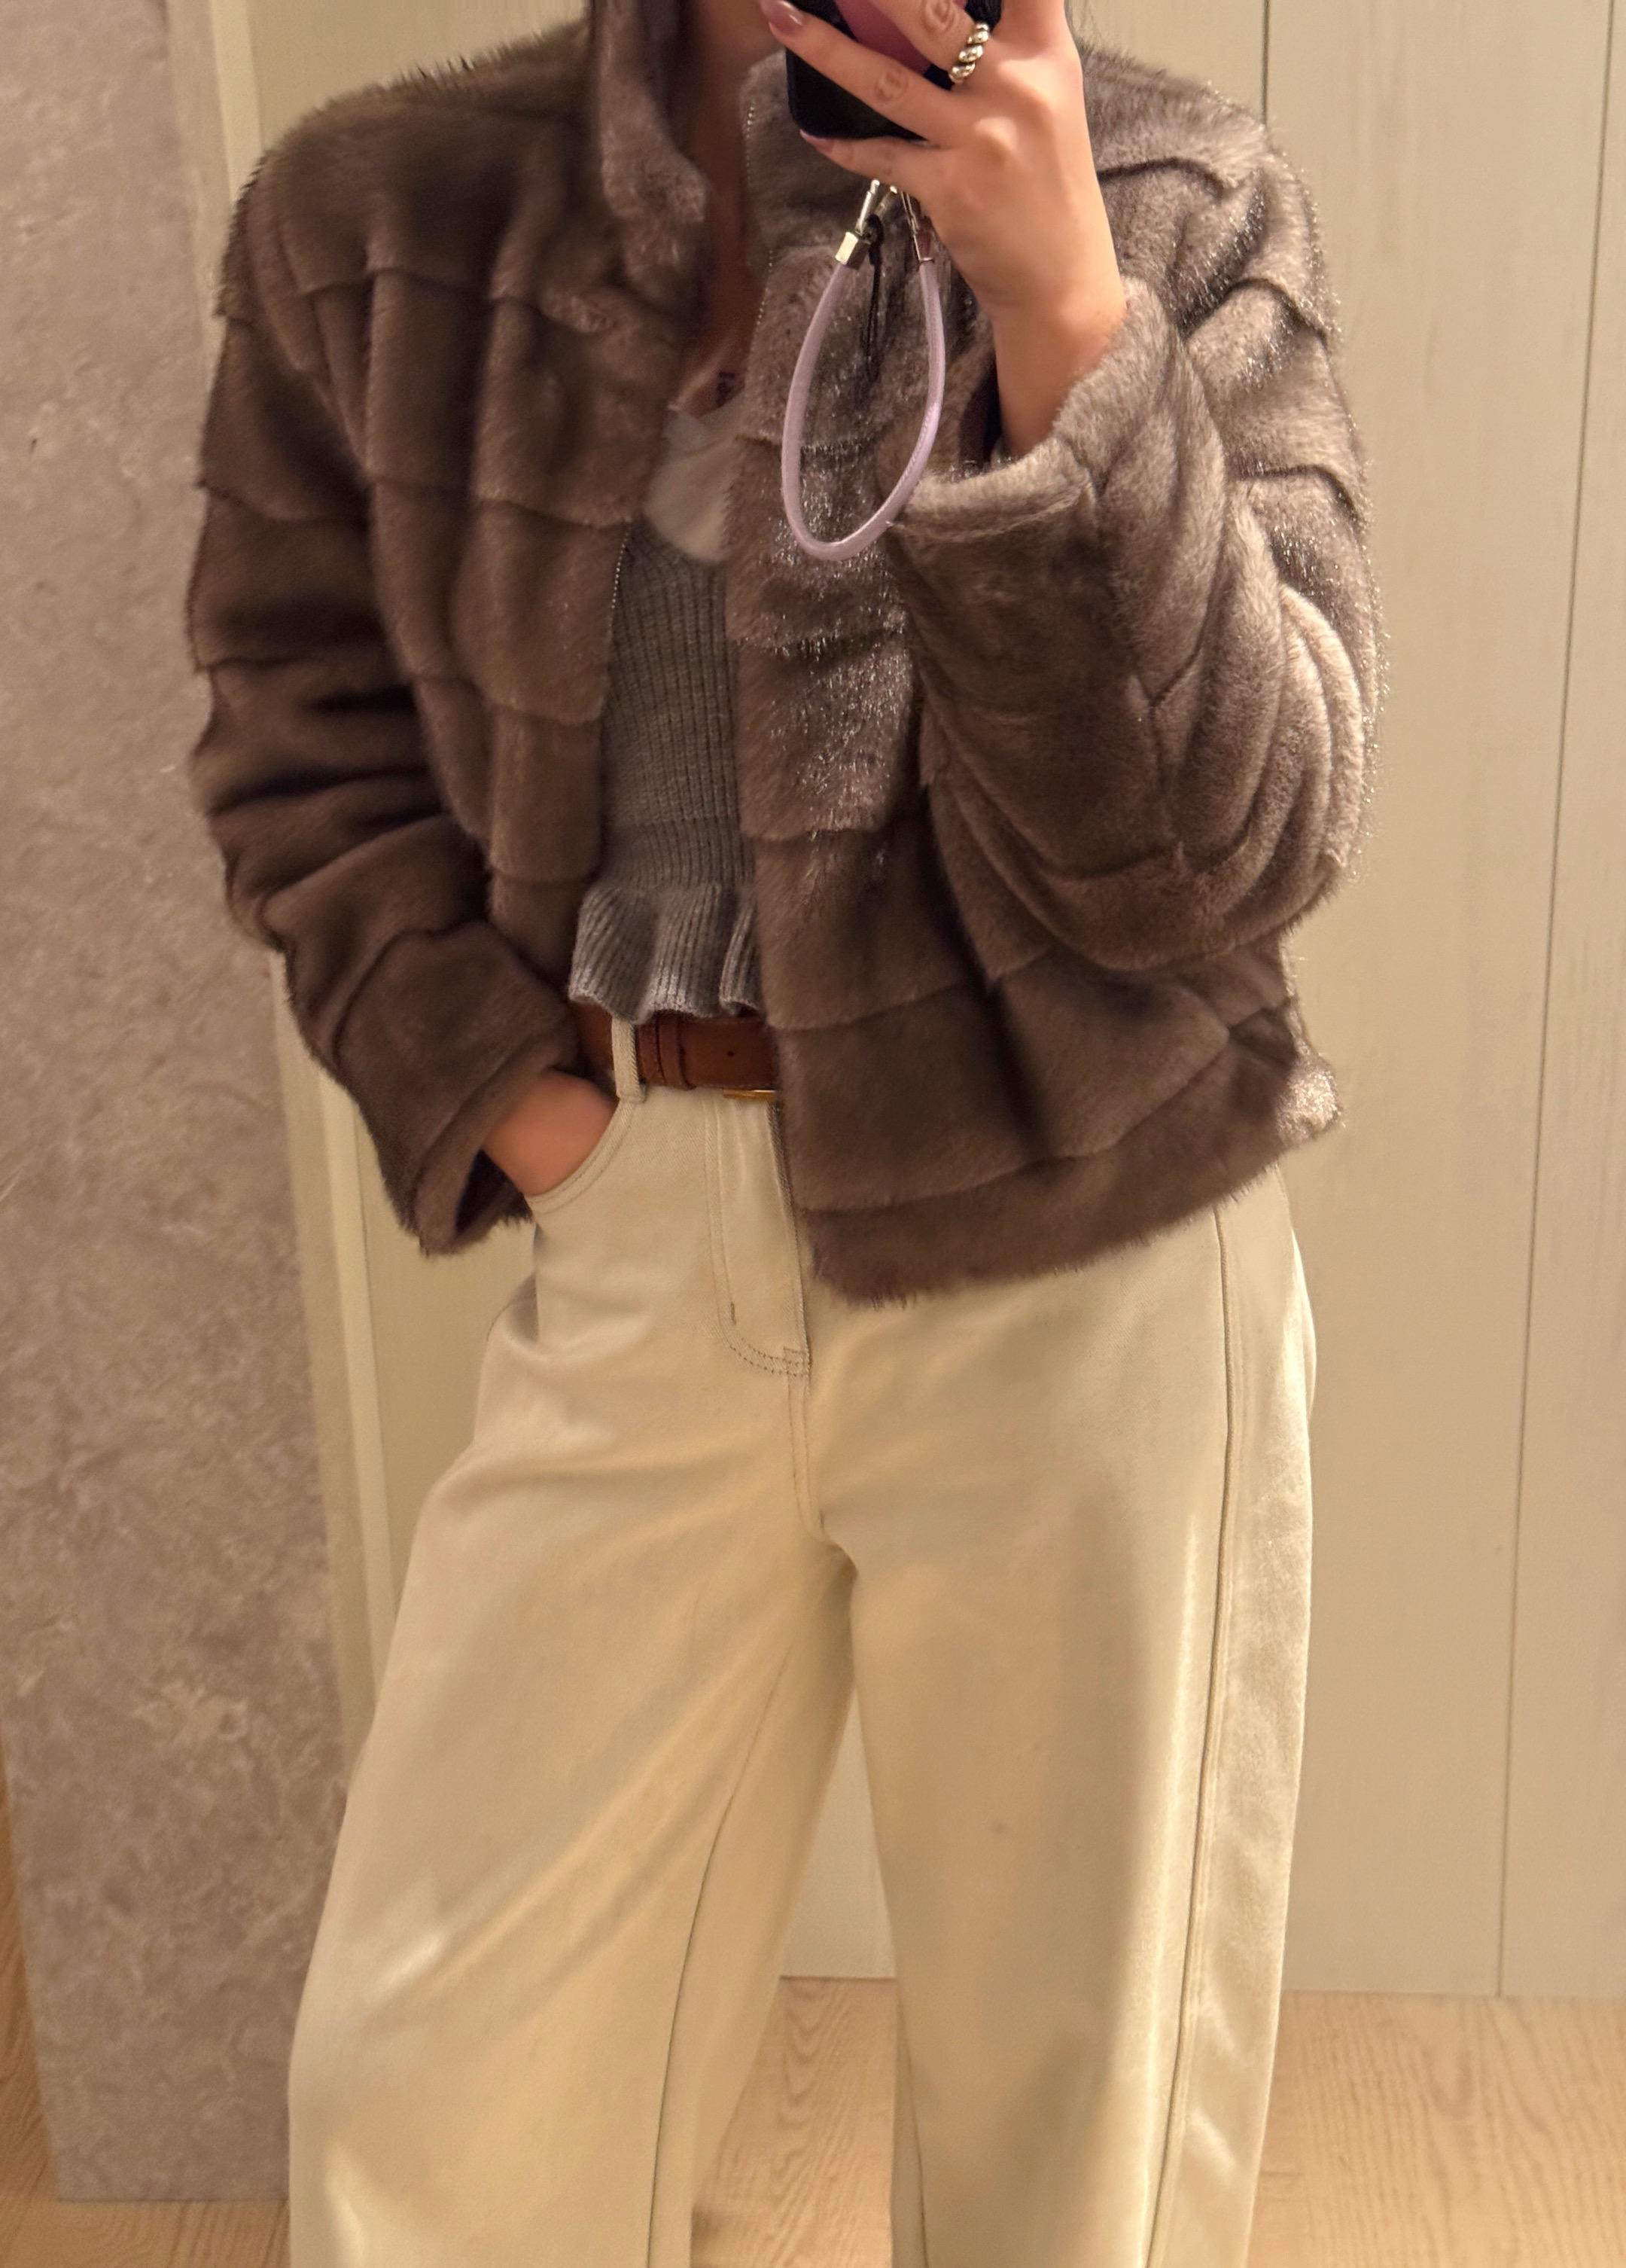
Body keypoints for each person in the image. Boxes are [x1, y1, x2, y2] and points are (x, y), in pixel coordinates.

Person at [182, 0, 1383, 2259]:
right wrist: (535, 1117)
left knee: (1072, 2152)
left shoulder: (1176, 201)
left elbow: (1236, 858)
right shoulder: (381, 221)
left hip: (1089, 1254)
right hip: (645, 1234)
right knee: (425, 2111)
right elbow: (294, 734)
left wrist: (1065, 320)